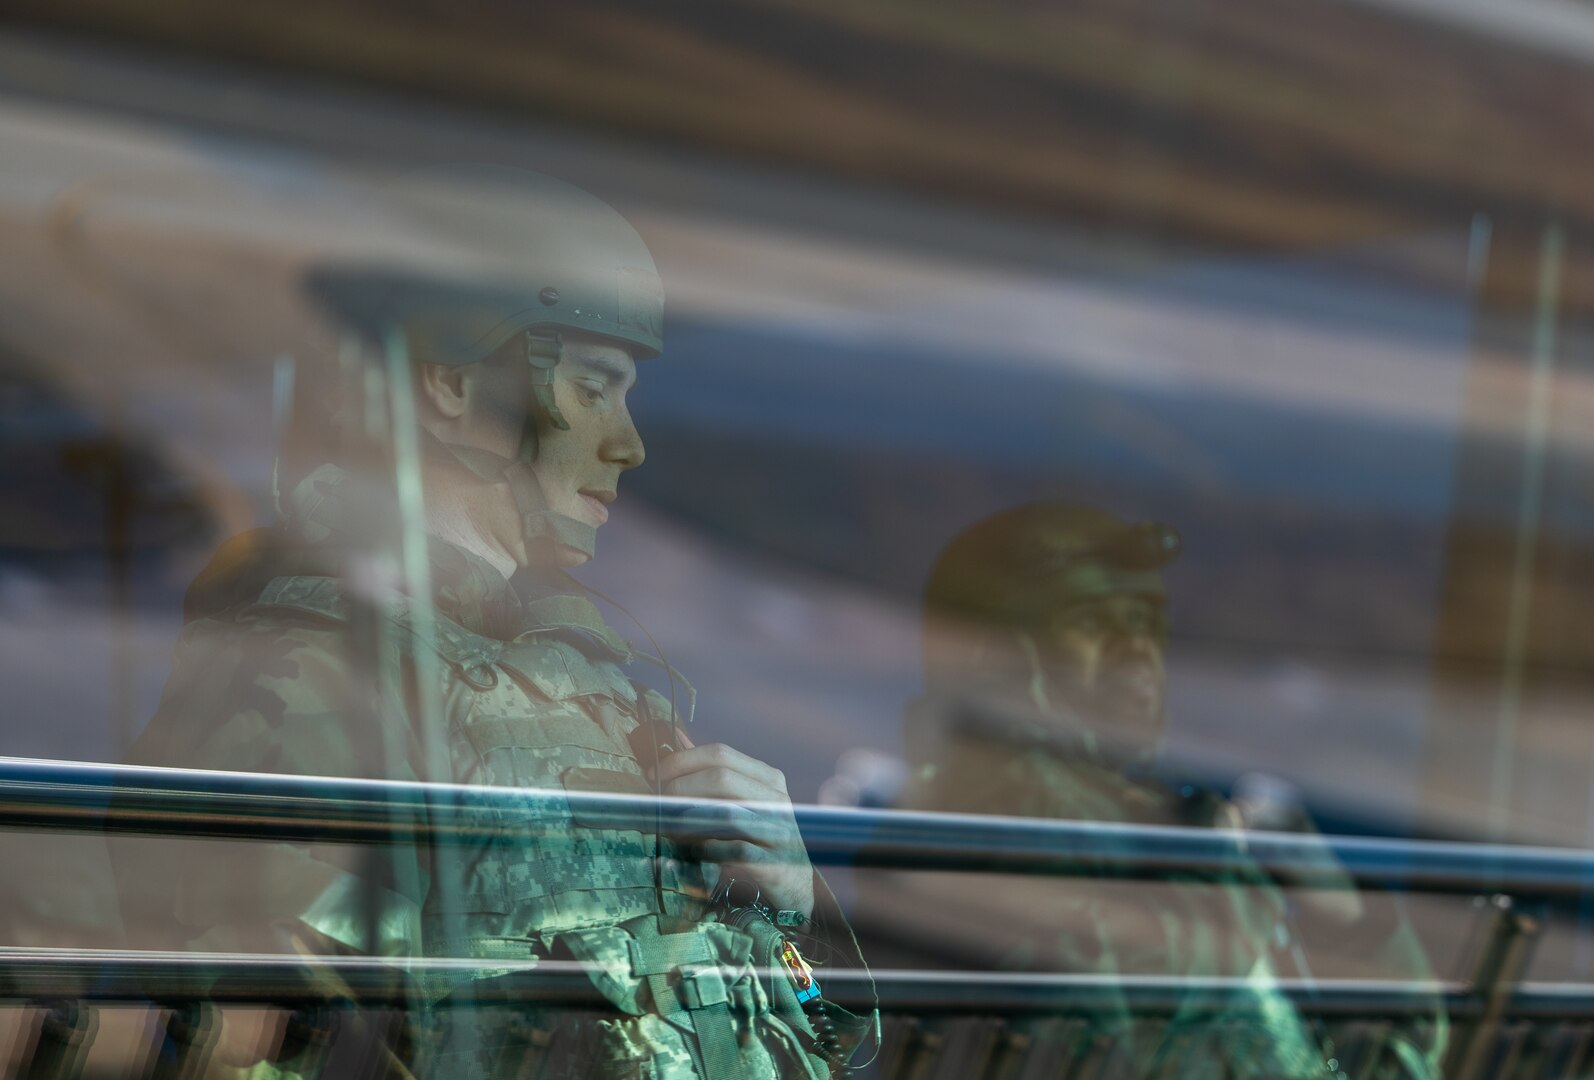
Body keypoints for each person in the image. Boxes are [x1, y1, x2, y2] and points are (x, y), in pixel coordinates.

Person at [112, 167, 874, 1078]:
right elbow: (249, 1041)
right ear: (452, 387)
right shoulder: (305, 676)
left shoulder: (609, 687)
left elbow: (827, 1044)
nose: (628, 443)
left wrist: (792, 906)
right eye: (594, 388)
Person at [898, 500, 1441, 1078]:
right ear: (1002, 660)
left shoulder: (1173, 835)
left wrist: (1350, 918)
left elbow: (1405, 1061)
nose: (1135, 650)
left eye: (1144, 622)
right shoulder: (990, 845)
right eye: (1090, 624)